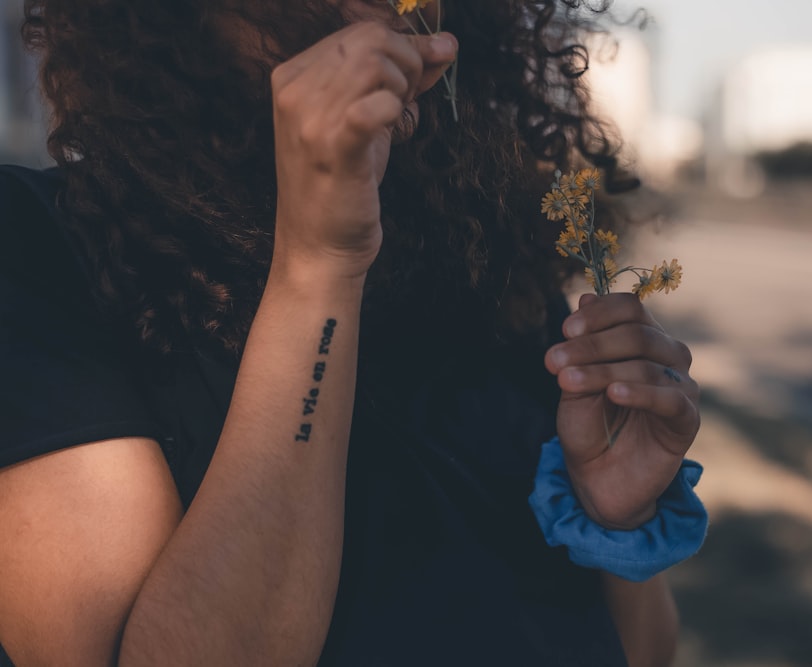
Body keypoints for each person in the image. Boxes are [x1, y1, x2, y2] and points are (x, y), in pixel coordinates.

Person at [0, 0, 704, 664]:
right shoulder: (39, 248)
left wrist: (613, 522)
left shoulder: (482, 253)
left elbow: (641, 650)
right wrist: (319, 265)